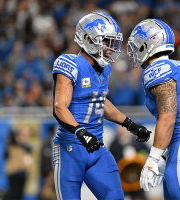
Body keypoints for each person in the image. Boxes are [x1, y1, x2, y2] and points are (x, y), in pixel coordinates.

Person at [52, 12, 151, 200]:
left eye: (112, 42)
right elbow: (59, 107)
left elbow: (100, 101)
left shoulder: (105, 68)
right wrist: (82, 133)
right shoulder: (69, 63)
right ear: (88, 39)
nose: (111, 48)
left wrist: (130, 124)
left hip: (96, 147)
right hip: (70, 149)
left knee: (115, 197)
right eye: (106, 41)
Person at [127, 19, 180, 199]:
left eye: (137, 46)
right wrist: (164, 156)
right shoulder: (179, 65)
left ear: (147, 45)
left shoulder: (158, 69)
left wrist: (153, 158)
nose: (134, 51)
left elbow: (168, 116)